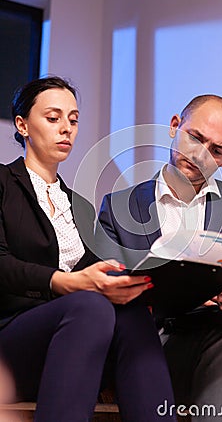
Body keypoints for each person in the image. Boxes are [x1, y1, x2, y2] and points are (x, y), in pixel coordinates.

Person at [97, 94, 222, 421]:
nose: (199, 154)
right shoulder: (119, 207)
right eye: (195, 137)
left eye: (216, 150)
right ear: (175, 125)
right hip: (153, 348)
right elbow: (105, 282)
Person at [0, 76, 177, 422]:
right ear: (22, 125)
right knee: (89, 304)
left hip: (74, 343)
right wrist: (67, 282)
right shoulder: (3, 184)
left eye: (74, 119)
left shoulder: (79, 206)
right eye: (53, 118)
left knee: (132, 311)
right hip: (10, 340)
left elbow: (95, 272)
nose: (66, 128)